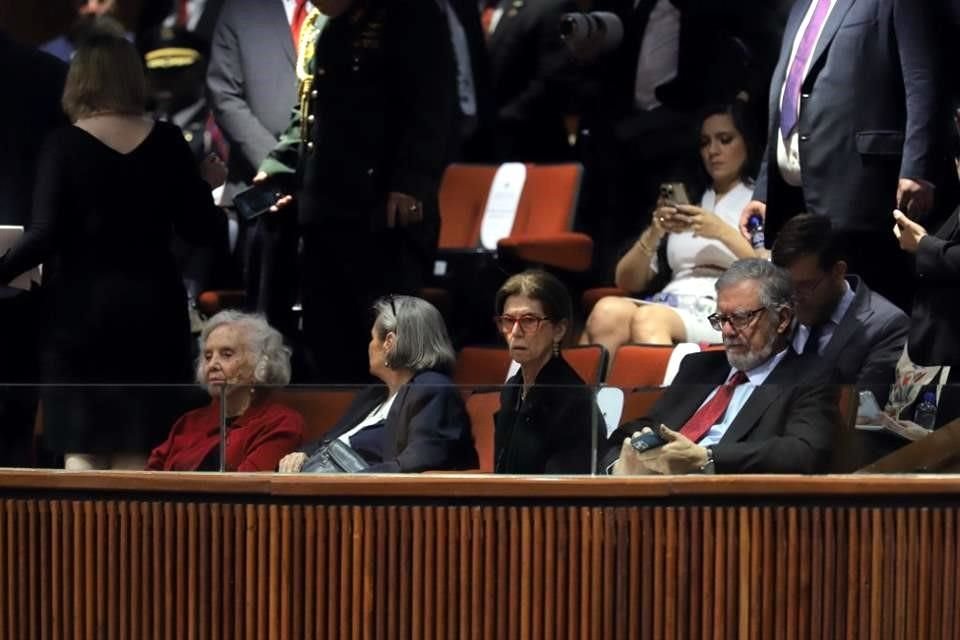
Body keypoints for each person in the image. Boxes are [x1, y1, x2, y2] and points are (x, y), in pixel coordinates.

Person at [0, 35, 227, 470]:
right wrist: (203, 184)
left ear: (79, 81)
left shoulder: (62, 146)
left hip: (78, 319)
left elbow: (43, 236)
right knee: (140, 449)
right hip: (153, 315)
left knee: (81, 448)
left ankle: (80, 540)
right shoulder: (168, 142)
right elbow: (202, 230)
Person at [258, 0, 458, 383]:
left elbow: (432, 105)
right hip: (323, 206)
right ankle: (340, 431)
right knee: (325, 333)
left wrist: (411, 182)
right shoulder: (325, 24)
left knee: (388, 337)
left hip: (381, 205)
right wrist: (278, 167)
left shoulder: (411, 13)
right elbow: (310, 108)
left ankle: (393, 429)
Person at [739, 0, 940, 310]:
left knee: (867, 315)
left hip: (860, 187)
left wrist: (916, 166)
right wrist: (766, 189)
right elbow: (786, 97)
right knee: (809, 318)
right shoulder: (800, 7)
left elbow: (922, 81)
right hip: (796, 196)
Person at [604, 259, 838, 475]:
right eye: (721, 319)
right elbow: (645, 428)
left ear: (783, 319)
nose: (727, 331)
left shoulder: (811, 376)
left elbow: (804, 451)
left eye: (740, 318)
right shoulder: (699, 367)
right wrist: (618, 467)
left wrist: (706, 457)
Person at [582, 103, 757, 354]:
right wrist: (655, 231)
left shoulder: (756, 200)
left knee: (651, 319)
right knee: (607, 311)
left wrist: (720, 231)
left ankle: (664, 395)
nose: (713, 151)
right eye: (705, 143)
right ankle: (599, 395)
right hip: (671, 299)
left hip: (720, 307)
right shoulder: (692, 199)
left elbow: (770, 273)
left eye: (725, 140)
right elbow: (626, 281)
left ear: (747, 143)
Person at [206, 0, 314, 335]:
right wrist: (279, 165)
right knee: (263, 325)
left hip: (327, 187)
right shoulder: (241, 9)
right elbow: (224, 95)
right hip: (261, 187)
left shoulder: (339, 11)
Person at [278, 296, 477, 473]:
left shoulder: (432, 388)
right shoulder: (374, 395)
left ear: (389, 342)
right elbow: (328, 441)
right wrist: (302, 455)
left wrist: (351, 482)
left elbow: (417, 463)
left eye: (373, 338)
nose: (369, 346)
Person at [771, 213, 908, 403]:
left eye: (804, 286)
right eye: (786, 285)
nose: (793, 297)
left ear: (838, 271)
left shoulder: (886, 327)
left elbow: (862, 411)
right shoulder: (776, 310)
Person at [146, 311, 304, 471]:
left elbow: (243, 487)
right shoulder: (189, 422)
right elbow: (149, 476)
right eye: (207, 356)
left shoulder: (280, 423)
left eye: (226, 354)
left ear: (260, 364)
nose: (212, 365)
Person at [493, 271, 604, 474]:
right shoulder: (511, 390)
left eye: (529, 320)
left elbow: (563, 493)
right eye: (508, 320)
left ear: (559, 330)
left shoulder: (574, 403)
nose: (515, 332)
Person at [483, 0, 580, 162]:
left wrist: (497, 120)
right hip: (470, 146)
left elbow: (554, 79)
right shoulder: (467, 9)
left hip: (526, 148)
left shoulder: (549, 6)